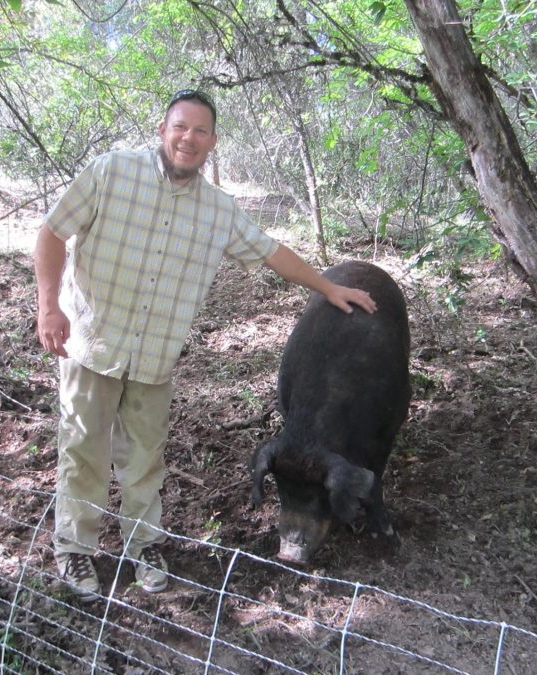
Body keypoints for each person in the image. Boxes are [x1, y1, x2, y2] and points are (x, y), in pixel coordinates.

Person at [34, 89, 376, 600]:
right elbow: (52, 233)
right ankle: (75, 550)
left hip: (153, 358)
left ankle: (143, 545)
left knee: (144, 460)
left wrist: (328, 287)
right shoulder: (111, 172)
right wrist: (48, 306)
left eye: (200, 131)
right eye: (180, 127)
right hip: (91, 343)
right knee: (84, 452)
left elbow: (272, 252)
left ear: (213, 142)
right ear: (162, 130)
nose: (188, 139)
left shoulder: (219, 211)